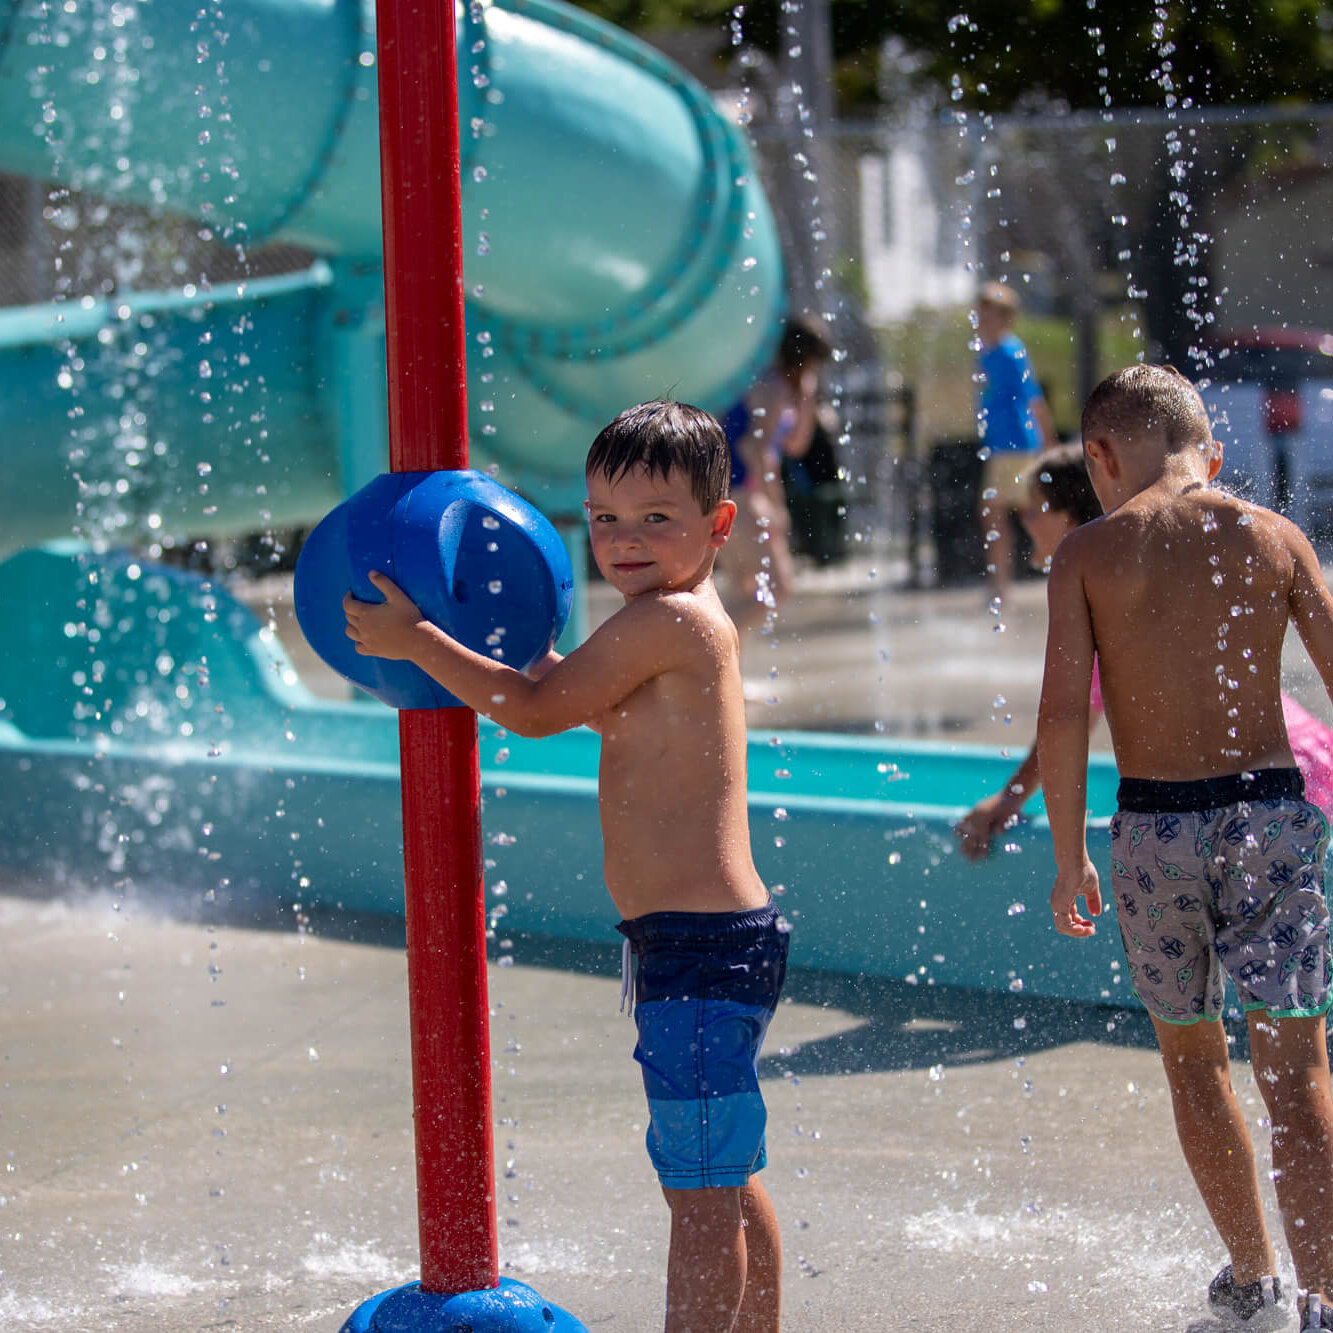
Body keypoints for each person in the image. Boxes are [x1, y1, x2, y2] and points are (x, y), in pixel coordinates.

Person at [343, 399, 788, 1333]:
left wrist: (416, 642)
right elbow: (579, 694)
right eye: (603, 518)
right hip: (701, 944)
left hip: (698, 951)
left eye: (654, 519)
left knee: (699, 1193)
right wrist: (518, 651)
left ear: (718, 524)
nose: (623, 541)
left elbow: (537, 708)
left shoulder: (669, 618)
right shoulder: (668, 620)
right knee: (723, 1173)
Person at [1037, 363, 1333, 1330]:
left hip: (1155, 828)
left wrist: (1067, 851)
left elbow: (1059, 719)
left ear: (1102, 455)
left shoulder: (1086, 553)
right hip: (1271, 819)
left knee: (1195, 1059)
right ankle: (1326, 1293)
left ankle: (1252, 1281)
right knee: (1298, 1068)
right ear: (1207, 448)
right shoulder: (1271, 535)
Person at [955, 443, 1333, 861]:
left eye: (1035, 508)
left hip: (1279, 784)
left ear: (1068, 519)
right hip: (1299, 767)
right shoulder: (1145, 571)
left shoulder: (1108, 598)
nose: (1024, 518)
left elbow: (1067, 719)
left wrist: (1009, 801)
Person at [720, 317, 830, 684]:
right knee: (779, 586)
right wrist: (775, 506)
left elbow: (797, 445)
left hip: (723, 493)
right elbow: (757, 451)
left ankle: (724, 681)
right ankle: (698, 651)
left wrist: (807, 396)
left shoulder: (770, 383)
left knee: (744, 587)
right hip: (743, 493)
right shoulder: (771, 387)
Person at [974, 281, 1057, 598]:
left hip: (1017, 446)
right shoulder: (988, 354)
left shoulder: (1010, 353)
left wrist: (1049, 444)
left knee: (1020, 513)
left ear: (1006, 320)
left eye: (990, 317)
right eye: (980, 316)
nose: (983, 323)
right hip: (1000, 447)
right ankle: (1002, 585)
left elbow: (1034, 399)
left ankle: (1006, 585)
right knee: (1008, 514)